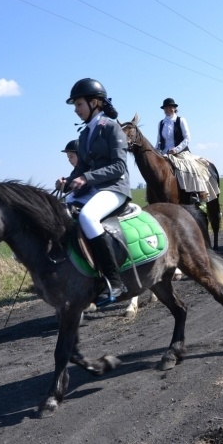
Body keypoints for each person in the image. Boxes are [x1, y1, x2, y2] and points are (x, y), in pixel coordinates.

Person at [62, 78, 131, 306]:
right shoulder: (84, 135)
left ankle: (115, 281)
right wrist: (67, 182)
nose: (76, 110)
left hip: (114, 188)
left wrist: (87, 178)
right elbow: (80, 167)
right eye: (75, 106)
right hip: (93, 189)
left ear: (94, 103)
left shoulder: (112, 127)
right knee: (60, 212)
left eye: (79, 104)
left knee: (88, 217)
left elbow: (119, 166)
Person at [156, 98, 219, 204]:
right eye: (166, 108)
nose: (168, 109)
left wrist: (176, 149)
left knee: (190, 167)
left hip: (180, 152)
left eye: (170, 107)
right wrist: (156, 151)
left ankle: (196, 193)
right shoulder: (161, 123)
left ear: (174, 108)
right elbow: (158, 140)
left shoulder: (181, 120)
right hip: (164, 153)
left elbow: (187, 138)